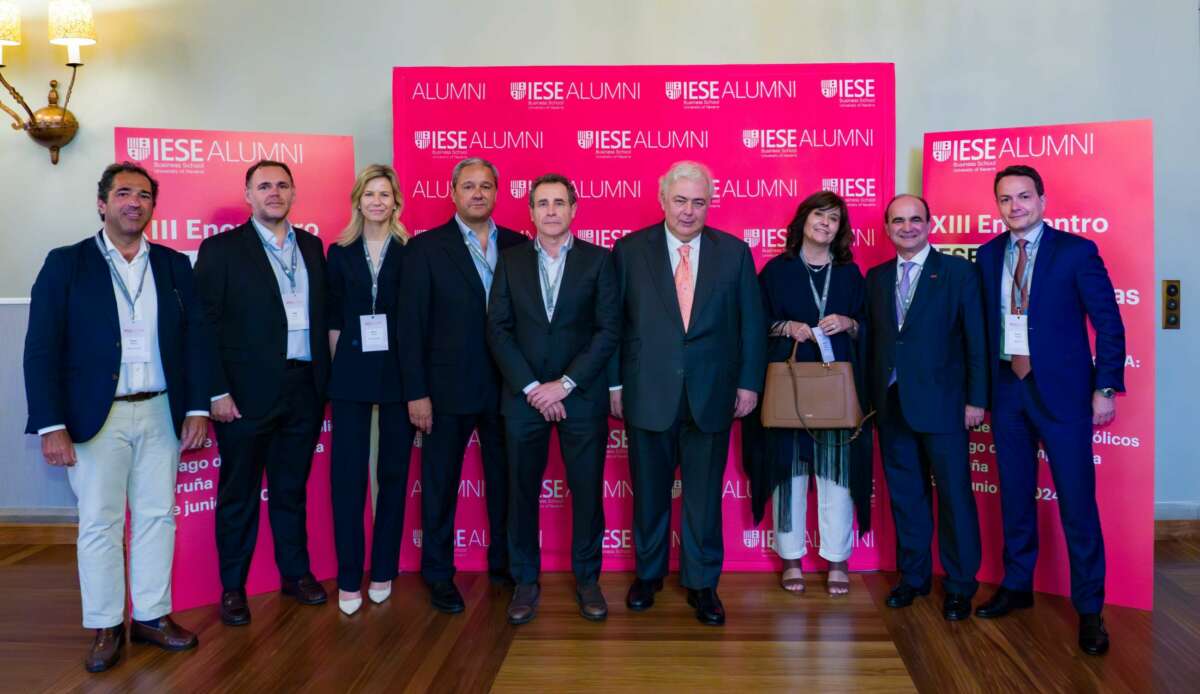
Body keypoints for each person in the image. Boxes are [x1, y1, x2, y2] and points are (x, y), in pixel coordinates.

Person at [24, 162, 210, 672]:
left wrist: (197, 407)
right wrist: (50, 423)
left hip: (159, 410)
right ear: (102, 203)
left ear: (154, 206)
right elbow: (41, 348)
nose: (135, 202)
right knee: (99, 523)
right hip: (93, 418)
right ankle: (106, 624)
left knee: (156, 518)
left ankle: (151, 616)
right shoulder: (66, 264)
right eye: (123, 193)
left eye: (144, 195)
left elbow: (196, 340)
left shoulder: (174, 265)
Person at [974, 165, 1125, 655]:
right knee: (1015, 496)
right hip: (1007, 390)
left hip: (1062, 393)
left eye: (1023, 197)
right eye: (1005, 199)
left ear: (1041, 199)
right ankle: (1017, 585)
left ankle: (1089, 610)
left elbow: (1109, 323)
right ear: (996, 205)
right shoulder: (988, 254)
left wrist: (1105, 387)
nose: (1014, 206)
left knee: (1077, 505)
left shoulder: (1076, 251)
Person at [609, 161, 765, 626]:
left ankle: (702, 584)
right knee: (650, 494)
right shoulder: (629, 251)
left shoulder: (734, 253)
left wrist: (748, 383)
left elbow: (751, 327)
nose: (689, 211)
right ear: (662, 201)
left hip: (712, 393)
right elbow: (614, 325)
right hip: (646, 392)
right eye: (680, 200)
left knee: (702, 497)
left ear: (709, 204)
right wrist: (615, 384)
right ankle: (649, 575)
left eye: (699, 201)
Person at [194, 159, 332, 626]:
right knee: (240, 493)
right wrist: (215, 391)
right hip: (244, 396)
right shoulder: (221, 250)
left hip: (304, 388)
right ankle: (232, 587)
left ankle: (296, 573)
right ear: (248, 195)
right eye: (264, 186)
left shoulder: (312, 247)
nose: (274, 192)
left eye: (282, 185)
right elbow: (204, 326)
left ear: (294, 193)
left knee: (291, 490)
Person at [486, 174, 619, 624]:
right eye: (542, 203)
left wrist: (563, 385)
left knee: (586, 493)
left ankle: (587, 579)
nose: (550, 211)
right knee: (520, 493)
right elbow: (498, 330)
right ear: (530, 212)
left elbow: (607, 332)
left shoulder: (600, 262)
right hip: (523, 398)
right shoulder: (509, 261)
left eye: (559, 202)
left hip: (579, 397)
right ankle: (525, 580)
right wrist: (532, 388)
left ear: (574, 208)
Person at [399, 157, 527, 613]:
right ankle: (438, 574)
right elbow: (410, 327)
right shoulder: (426, 249)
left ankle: (505, 566)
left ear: (497, 193)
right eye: (469, 186)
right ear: (452, 193)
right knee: (438, 487)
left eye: (486, 186)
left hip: (507, 390)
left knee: (506, 485)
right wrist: (417, 392)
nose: (478, 193)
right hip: (444, 392)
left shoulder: (517, 245)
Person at [741, 190, 873, 599]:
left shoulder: (851, 275)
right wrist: (787, 328)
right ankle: (792, 557)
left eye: (834, 219)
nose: (825, 224)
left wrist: (850, 322)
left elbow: (873, 328)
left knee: (836, 476)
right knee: (788, 476)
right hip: (789, 390)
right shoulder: (776, 271)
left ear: (841, 229)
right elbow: (752, 323)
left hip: (837, 392)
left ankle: (837, 559)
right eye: (819, 215)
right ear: (803, 221)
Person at [864, 194, 986, 621]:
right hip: (893, 405)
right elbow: (875, 344)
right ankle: (913, 578)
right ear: (887, 228)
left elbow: (976, 341)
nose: (908, 227)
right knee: (907, 497)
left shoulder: (958, 273)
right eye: (898, 221)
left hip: (947, 407)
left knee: (954, 497)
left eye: (916, 219)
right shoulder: (876, 277)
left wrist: (977, 399)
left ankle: (959, 585)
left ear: (930, 223)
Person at [326, 164, 414, 615]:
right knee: (348, 477)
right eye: (370, 194)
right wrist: (340, 371)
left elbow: (417, 321)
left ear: (396, 202)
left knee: (393, 476)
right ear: (358, 201)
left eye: (385, 194)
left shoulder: (411, 251)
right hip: (352, 375)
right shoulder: (338, 253)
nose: (378, 201)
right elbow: (334, 320)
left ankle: (382, 569)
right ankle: (348, 575)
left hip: (399, 374)